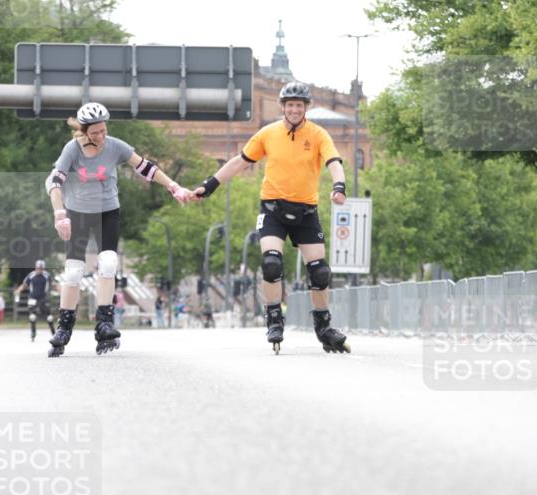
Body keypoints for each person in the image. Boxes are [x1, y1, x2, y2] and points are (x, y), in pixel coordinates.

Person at [191, 80, 350, 353]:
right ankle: (274, 319)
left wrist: (339, 186)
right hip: (273, 209)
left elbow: (333, 162)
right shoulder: (268, 133)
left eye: (299, 106)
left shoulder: (319, 134)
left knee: (320, 271)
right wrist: (209, 186)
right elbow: (240, 161)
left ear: (306, 108)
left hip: (306, 211)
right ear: (283, 107)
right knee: (271, 263)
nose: (294, 110)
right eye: (290, 105)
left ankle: (323, 327)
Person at [45, 102, 191, 357]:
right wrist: (60, 215)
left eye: (103, 131)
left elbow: (146, 168)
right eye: (94, 133)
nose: (100, 137)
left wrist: (174, 186)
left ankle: (104, 323)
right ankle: (64, 327)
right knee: (73, 271)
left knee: (109, 262)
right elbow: (55, 181)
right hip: (78, 212)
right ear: (83, 130)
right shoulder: (72, 150)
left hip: (107, 210)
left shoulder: (115, 145)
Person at [15, 260, 55, 341]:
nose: (39, 270)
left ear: (43, 269)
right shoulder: (31, 275)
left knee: (49, 318)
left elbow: (54, 285)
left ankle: (54, 333)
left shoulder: (47, 275)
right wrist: (18, 290)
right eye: (37, 268)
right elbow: (24, 285)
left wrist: (62, 291)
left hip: (43, 298)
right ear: (35, 268)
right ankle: (33, 334)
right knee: (32, 317)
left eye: (41, 268)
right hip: (33, 298)